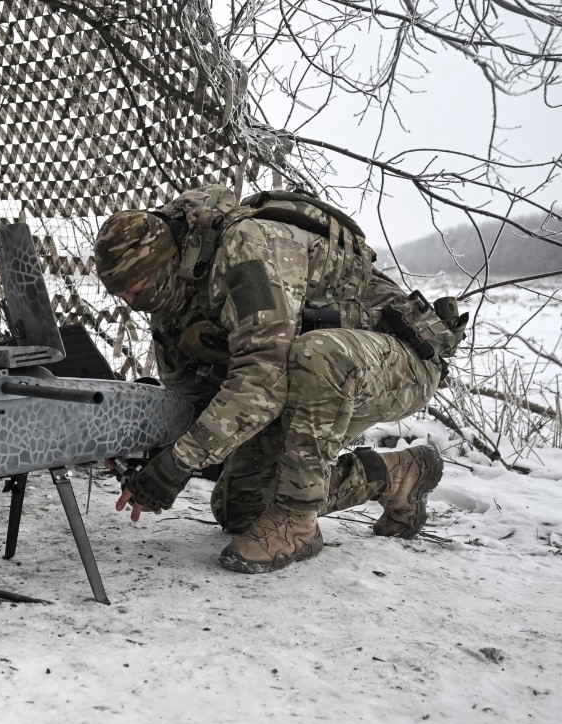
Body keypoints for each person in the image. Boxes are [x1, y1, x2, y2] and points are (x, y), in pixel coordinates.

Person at [93, 184, 457, 573]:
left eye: (135, 289)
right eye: (121, 294)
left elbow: (263, 377)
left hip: (397, 362)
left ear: (163, 263)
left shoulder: (248, 248)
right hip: (305, 381)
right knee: (240, 509)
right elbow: (192, 394)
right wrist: (145, 445)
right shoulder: (176, 290)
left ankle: (297, 525)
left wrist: (176, 465)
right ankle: (396, 474)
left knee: (316, 356)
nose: (131, 301)